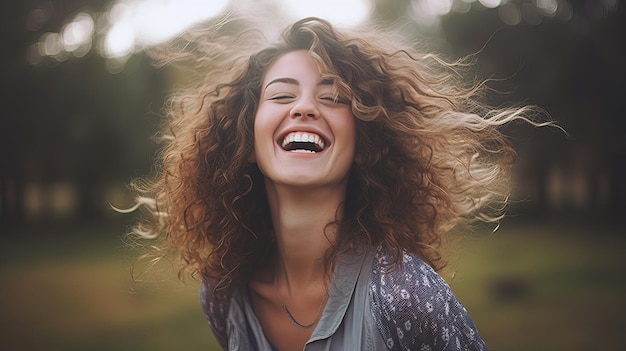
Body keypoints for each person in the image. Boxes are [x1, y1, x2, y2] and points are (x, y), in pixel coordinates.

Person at [129, 16, 537, 350]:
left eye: (333, 97)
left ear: (364, 145)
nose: (305, 107)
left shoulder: (405, 295)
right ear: (246, 140)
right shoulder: (223, 295)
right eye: (282, 96)